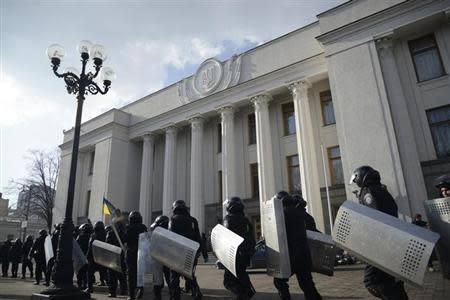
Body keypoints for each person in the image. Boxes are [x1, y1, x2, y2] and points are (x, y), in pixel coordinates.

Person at [350, 166, 408, 300]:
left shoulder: (367, 191)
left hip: (380, 244)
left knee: (373, 281)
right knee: (391, 280)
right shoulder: (382, 190)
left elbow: (374, 217)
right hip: (392, 241)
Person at [273, 191, 322, 300]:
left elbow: (278, 233)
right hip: (304, 255)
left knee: (279, 281)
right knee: (307, 284)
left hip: (290, 256)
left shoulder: (282, 214)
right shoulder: (301, 214)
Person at [169, 200, 206, 300]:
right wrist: (200, 252)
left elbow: (170, 237)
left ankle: (175, 297)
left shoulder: (173, 219)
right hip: (190, 252)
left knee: (174, 276)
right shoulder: (193, 220)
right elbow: (198, 238)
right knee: (189, 274)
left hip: (177, 253)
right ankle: (197, 292)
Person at [223, 197, 256, 300]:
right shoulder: (246, 220)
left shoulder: (228, 219)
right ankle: (246, 293)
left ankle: (243, 294)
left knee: (228, 281)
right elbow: (251, 237)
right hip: (245, 254)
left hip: (232, 255)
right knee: (241, 275)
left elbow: (225, 238)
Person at [124, 211, 147, 300]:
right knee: (140, 273)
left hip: (131, 254)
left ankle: (131, 295)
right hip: (141, 253)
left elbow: (124, 239)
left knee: (131, 275)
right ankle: (140, 289)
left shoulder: (128, 227)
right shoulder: (143, 227)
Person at [148, 215, 171, 300]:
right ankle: (172, 294)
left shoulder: (158, 230)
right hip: (164, 258)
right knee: (166, 278)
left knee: (158, 278)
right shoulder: (169, 230)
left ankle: (158, 296)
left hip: (159, 257)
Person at [85, 221, 107, 293]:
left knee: (90, 273)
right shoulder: (106, 235)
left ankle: (90, 288)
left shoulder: (94, 236)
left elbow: (90, 247)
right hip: (103, 257)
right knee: (105, 273)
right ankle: (112, 290)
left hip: (93, 258)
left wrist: (87, 256)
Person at [77, 223, 93, 290]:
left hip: (82, 255)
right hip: (89, 256)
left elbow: (77, 245)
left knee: (81, 272)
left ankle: (81, 285)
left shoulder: (81, 236)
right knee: (87, 272)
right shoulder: (92, 236)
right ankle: (85, 285)